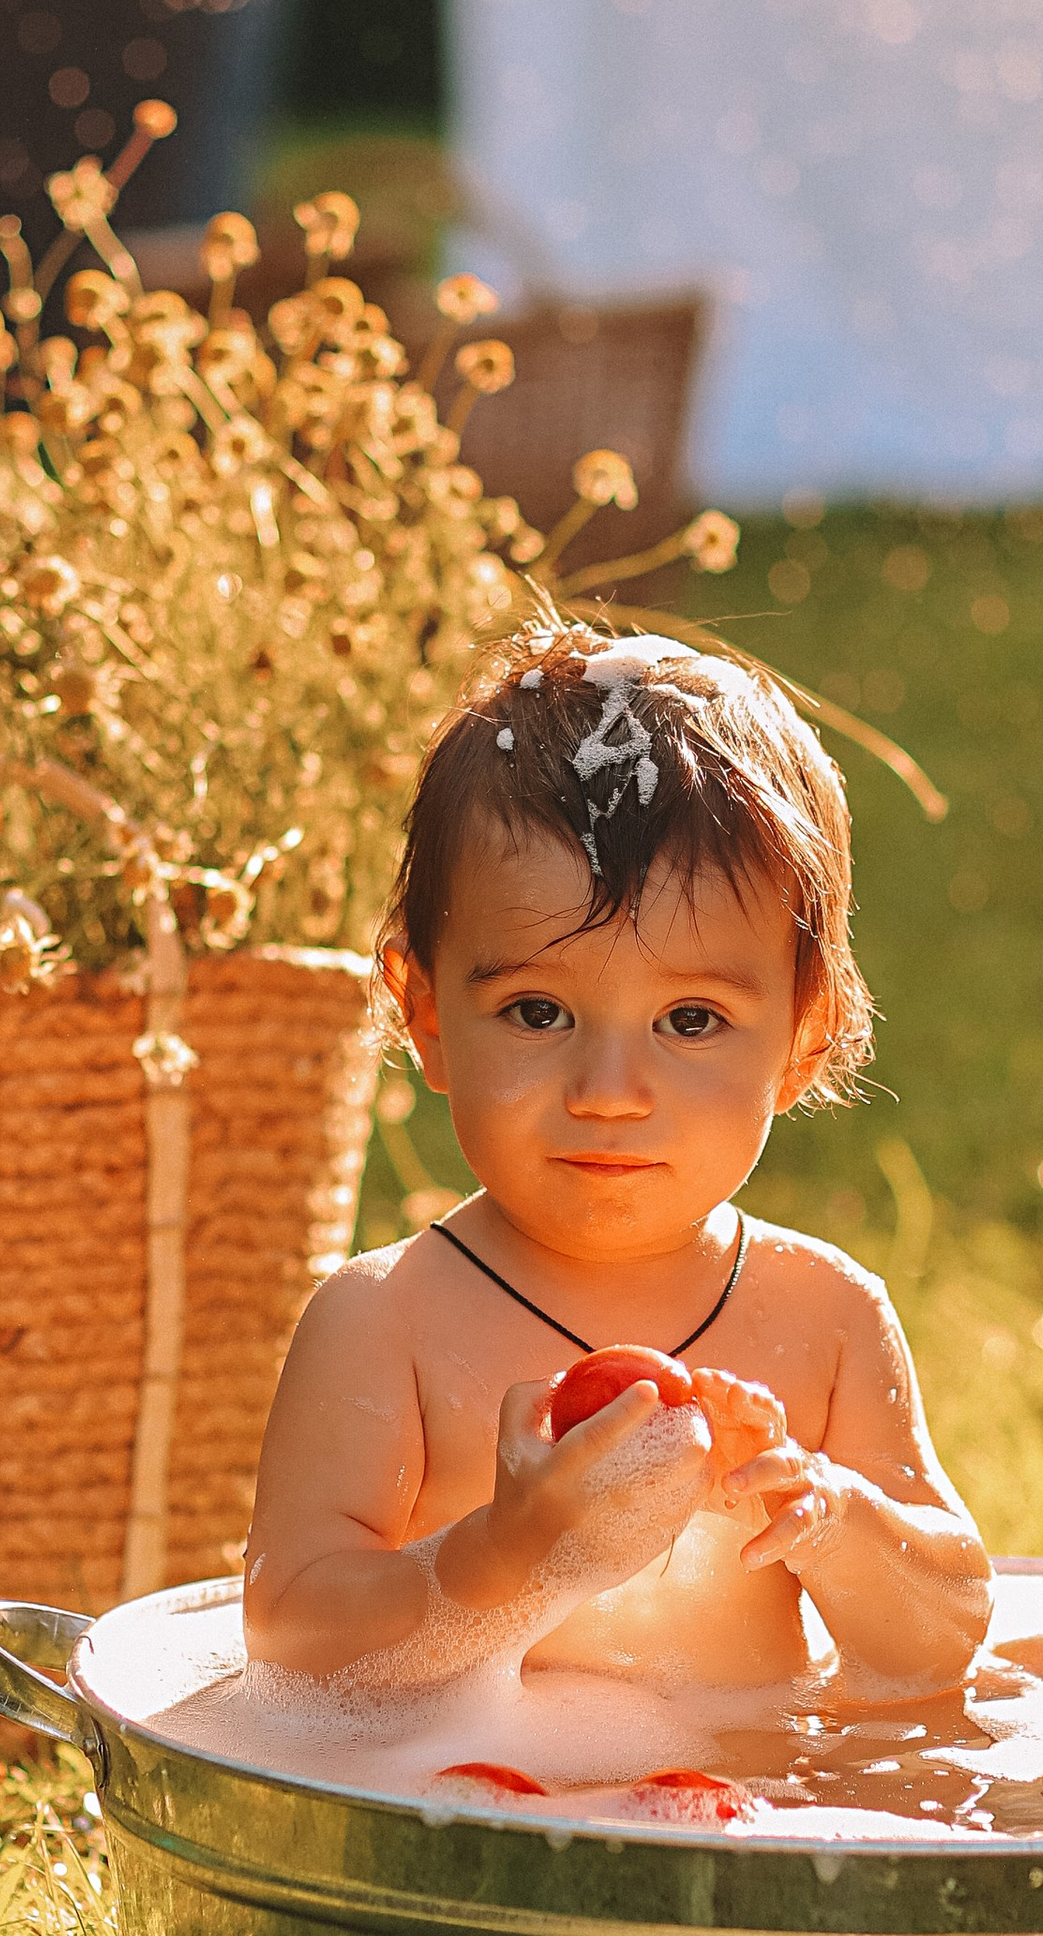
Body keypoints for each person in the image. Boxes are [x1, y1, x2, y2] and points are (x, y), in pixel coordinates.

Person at [244, 623, 989, 1711]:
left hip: (757, 1826)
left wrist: (832, 1517)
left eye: (690, 1020)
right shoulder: (386, 1324)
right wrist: (500, 1554)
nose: (608, 1088)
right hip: (478, 1809)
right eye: (535, 1011)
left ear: (803, 1035)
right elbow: (293, 1642)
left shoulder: (821, 1315)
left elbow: (941, 1637)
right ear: (424, 1014)